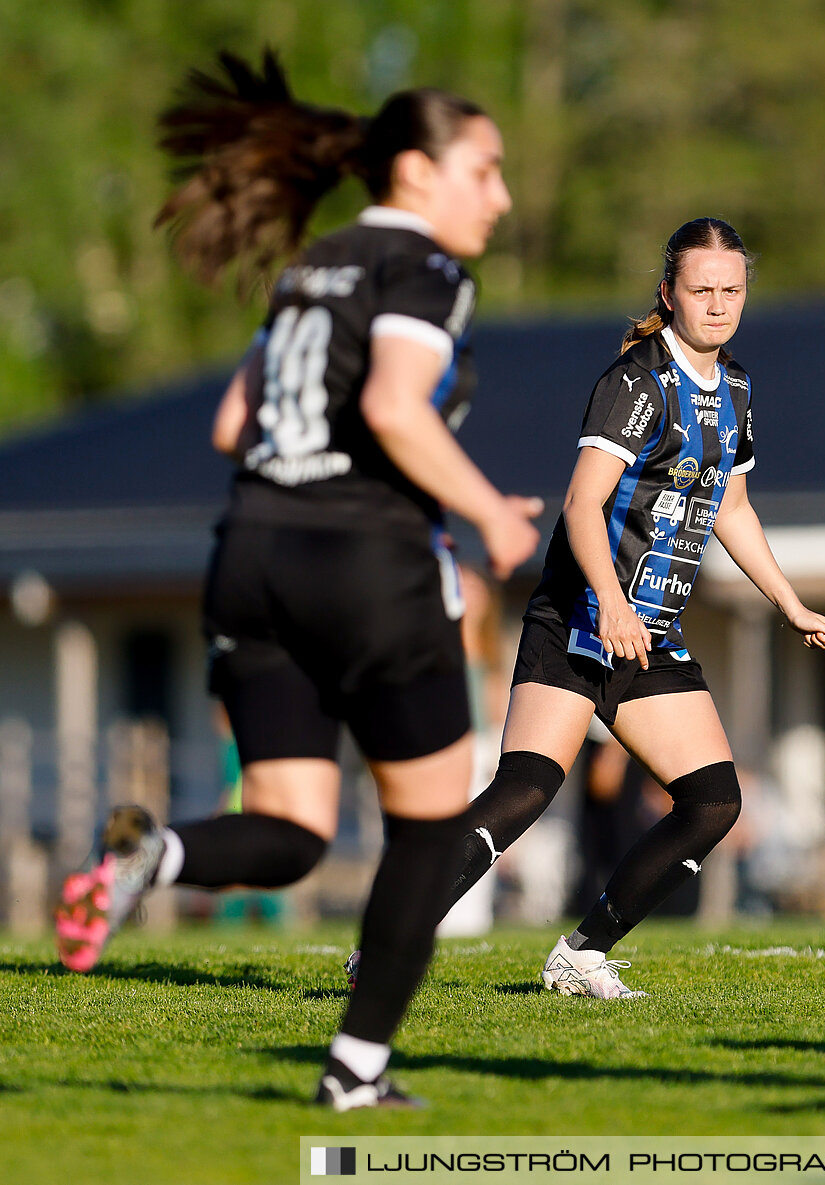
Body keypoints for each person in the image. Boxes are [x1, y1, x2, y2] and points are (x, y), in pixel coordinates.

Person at [52, 51, 541, 1110]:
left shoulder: (314, 265)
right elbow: (394, 410)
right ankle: (355, 1074)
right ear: (416, 173)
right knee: (426, 828)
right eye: (486, 171)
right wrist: (492, 511)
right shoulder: (428, 272)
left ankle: (153, 859)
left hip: (250, 555)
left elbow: (236, 425)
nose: (500, 197)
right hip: (362, 564)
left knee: (291, 829)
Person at [361, 217, 825, 997]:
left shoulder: (741, 388)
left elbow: (734, 508)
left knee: (713, 800)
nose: (718, 305)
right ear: (668, 294)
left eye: (732, 290)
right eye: (702, 290)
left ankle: (580, 954)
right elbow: (583, 506)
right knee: (525, 790)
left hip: (647, 633)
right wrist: (611, 605)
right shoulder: (638, 383)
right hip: (580, 619)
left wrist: (789, 602)